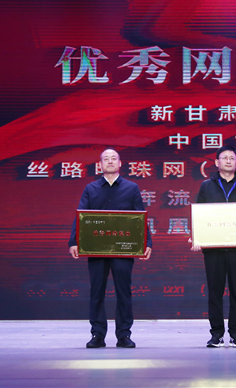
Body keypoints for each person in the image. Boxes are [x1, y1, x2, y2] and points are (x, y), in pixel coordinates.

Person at [68, 148, 152, 349]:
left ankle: (124, 335)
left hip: (123, 248)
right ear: (100, 165)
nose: (110, 161)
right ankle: (97, 334)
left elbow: (140, 216)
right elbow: (81, 215)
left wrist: (147, 242)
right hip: (96, 248)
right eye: (106, 159)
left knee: (124, 292)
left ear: (120, 163)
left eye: (114, 158)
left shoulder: (131, 188)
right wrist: (73, 241)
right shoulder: (91, 188)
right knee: (97, 292)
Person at [192, 145, 236, 348]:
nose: (228, 161)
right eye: (224, 157)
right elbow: (199, 214)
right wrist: (196, 237)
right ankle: (217, 334)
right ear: (216, 162)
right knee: (215, 291)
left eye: (232, 158)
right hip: (213, 249)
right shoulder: (207, 186)